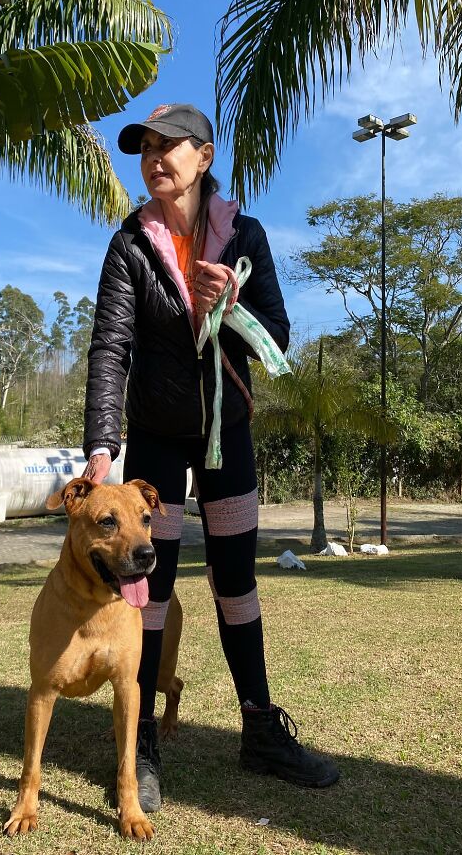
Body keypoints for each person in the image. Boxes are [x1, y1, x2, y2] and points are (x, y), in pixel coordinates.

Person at [82, 103, 339, 810]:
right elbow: (111, 347)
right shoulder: (131, 242)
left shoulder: (245, 235)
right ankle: (140, 742)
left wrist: (234, 306)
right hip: (157, 441)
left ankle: (259, 730)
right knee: (147, 585)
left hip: (229, 439)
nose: (156, 157)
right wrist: (103, 451)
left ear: (204, 154)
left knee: (236, 583)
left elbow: (278, 345)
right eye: (145, 148)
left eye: (171, 146)